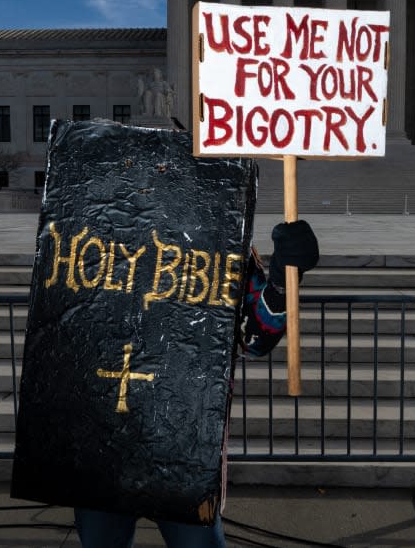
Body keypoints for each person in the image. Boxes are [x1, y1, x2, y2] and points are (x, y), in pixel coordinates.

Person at [73, 219, 320, 548]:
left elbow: (253, 337)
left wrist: (280, 283)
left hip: (183, 443)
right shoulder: (93, 231)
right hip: (102, 441)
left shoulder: (215, 233)